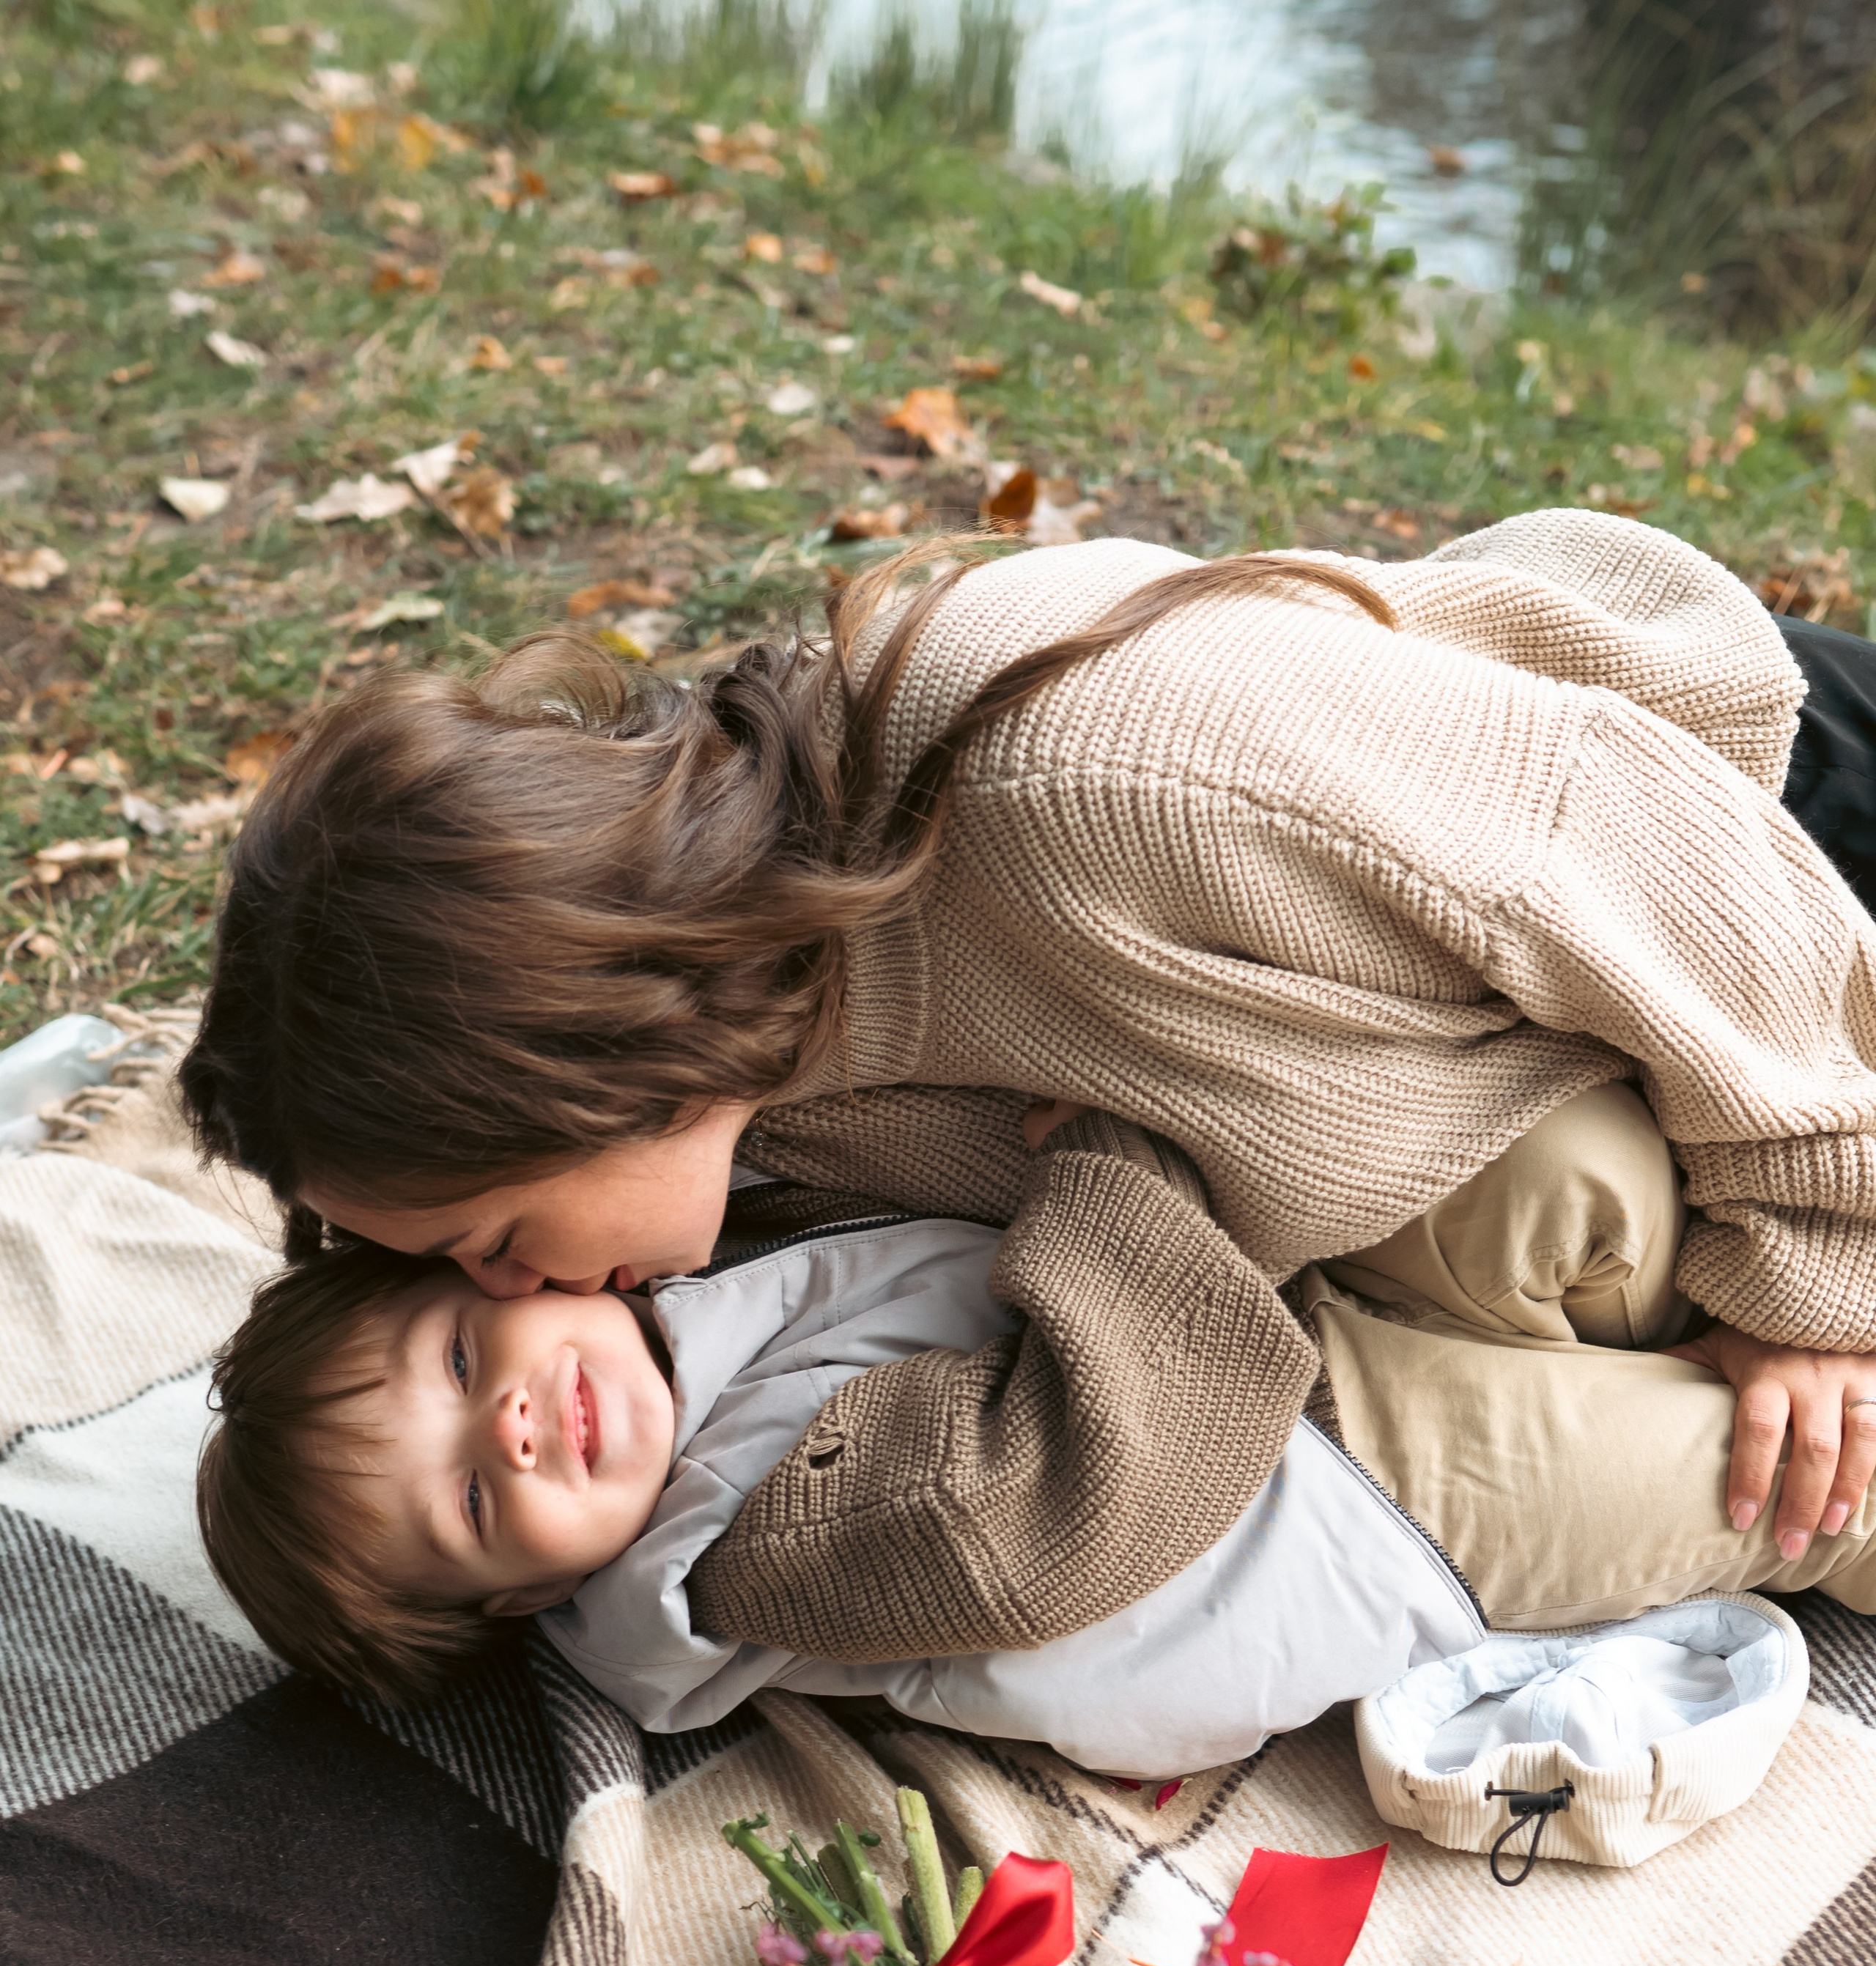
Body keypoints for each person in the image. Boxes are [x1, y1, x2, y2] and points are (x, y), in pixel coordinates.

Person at [178, 511, 1876, 1668]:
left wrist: (1813, 1277)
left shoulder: (1087, 776)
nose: (499, 1290)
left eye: (485, 1237)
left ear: (577, 1068)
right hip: (1520, 1049)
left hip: (1775, 868)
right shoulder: (744, 1119)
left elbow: (1657, 866)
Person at [193, 1102, 1876, 1770]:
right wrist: (1115, 1168)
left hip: (1270, 1315)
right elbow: (1049, 1497)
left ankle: (1775, 1280)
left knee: (1565, 1171)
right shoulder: (740, 1553)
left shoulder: (681, 1280)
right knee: (1757, 1475)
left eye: (474, 1350)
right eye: (488, 1499)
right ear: (511, 1607)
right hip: (1314, 1507)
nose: (523, 1422)